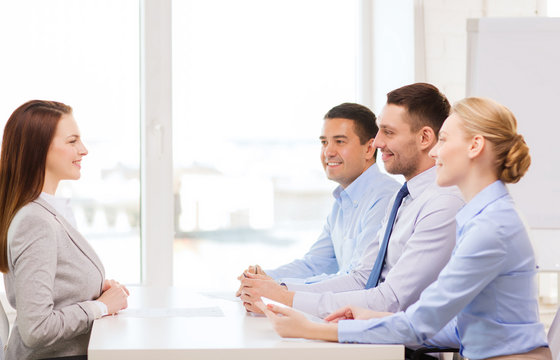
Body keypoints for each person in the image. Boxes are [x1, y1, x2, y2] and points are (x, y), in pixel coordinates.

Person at [258, 97, 551, 360]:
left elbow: (421, 324)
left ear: (475, 146)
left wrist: (313, 329)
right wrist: (370, 319)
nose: (435, 151)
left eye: (444, 140)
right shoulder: (482, 217)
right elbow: (463, 329)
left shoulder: (492, 228)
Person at [239, 83, 464, 317]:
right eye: (324, 142)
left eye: (388, 132)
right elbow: (362, 279)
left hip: (405, 347)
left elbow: (391, 300)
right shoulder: (404, 199)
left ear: (425, 137)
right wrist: (277, 289)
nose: (376, 143)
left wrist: (284, 296)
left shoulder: (441, 202)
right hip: (379, 332)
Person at [0, 100, 129, 360]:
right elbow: (37, 329)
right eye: (72, 141)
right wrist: (99, 307)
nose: (83, 150)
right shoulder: (35, 222)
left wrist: (94, 291)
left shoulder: (44, 213)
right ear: (38, 149)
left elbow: (55, 289)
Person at [236, 103, 400, 288]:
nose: (328, 152)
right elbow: (315, 263)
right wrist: (263, 278)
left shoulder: (384, 197)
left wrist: (279, 288)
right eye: (324, 142)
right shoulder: (342, 202)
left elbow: (360, 280)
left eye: (339, 141)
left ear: (369, 149)